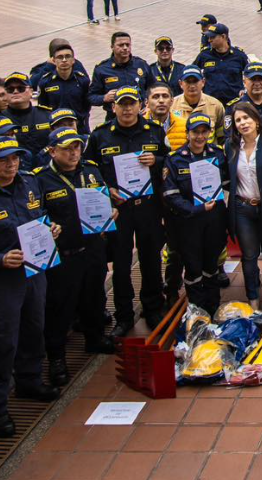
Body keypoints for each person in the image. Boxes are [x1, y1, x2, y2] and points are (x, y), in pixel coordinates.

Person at [0, 136, 62, 437]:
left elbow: (38, 215)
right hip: (1, 280)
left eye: (15, 158)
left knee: (34, 328)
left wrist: (51, 227)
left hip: (35, 272)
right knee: (1, 341)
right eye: (3, 159)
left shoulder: (29, 183)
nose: (11, 164)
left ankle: (29, 380)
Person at [33, 128, 117, 387]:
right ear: (52, 150)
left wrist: (111, 211)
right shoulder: (40, 179)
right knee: (60, 306)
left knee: (94, 295)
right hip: (63, 254)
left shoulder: (90, 170)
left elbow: (101, 199)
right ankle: (57, 357)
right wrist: (46, 226)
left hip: (91, 247)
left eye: (77, 148)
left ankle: (95, 338)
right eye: (67, 148)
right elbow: (34, 214)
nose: (73, 153)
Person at [86, 87, 169, 337]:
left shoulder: (153, 132)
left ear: (140, 106)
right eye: (122, 104)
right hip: (118, 210)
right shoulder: (100, 136)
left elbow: (171, 162)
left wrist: (157, 162)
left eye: (131, 103)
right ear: (114, 107)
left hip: (148, 207)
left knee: (151, 259)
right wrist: (106, 189)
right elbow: (89, 171)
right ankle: (123, 315)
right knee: (121, 265)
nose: (126, 108)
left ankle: (153, 307)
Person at [162, 113, 229, 316]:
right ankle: (197, 312)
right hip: (188, 221)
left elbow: (227, 184)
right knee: (193, 267)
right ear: (187, 133)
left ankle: (214, 307)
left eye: (204, 132)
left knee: (212, 264)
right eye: (195, 132)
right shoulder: (174, 160)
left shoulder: (217, 155)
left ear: (209, 133)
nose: (199, 136)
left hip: (214, 220)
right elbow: (170, 194)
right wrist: (196, 209)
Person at [33, 41, 94, 130]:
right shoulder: (45, 82)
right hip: (56, 128)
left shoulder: (82, 80)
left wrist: (80, 117)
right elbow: (43, 107)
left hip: (79, 127)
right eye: (60, 57)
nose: (64, 60)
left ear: (73, 60)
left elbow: (87, 104)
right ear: (53, 60)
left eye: (68, 56)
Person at [90, 31, 149, 119]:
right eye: (121, 45)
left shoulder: (141, 64)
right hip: (114, 118)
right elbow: (91, 97)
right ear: (112, 47)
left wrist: (149, 106)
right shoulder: (102, 69)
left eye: (127, 45)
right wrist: (104, 98)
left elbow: (153, 88)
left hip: (141, 117)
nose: (125, 48)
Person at [1, 72, 54, 157]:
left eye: (20, 88)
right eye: (10, 89)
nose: (15, 92)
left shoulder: (47, 115)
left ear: (31, 92)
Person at [193, 24, 249, 101]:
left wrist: (245, 91)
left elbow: (249, 74)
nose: (209, 40)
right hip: (211, 102)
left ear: (223, 37)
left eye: (212, 37)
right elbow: (193, 71)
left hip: (234, 102)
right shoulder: (204, 55)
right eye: (209, 37)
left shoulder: (239, 55)